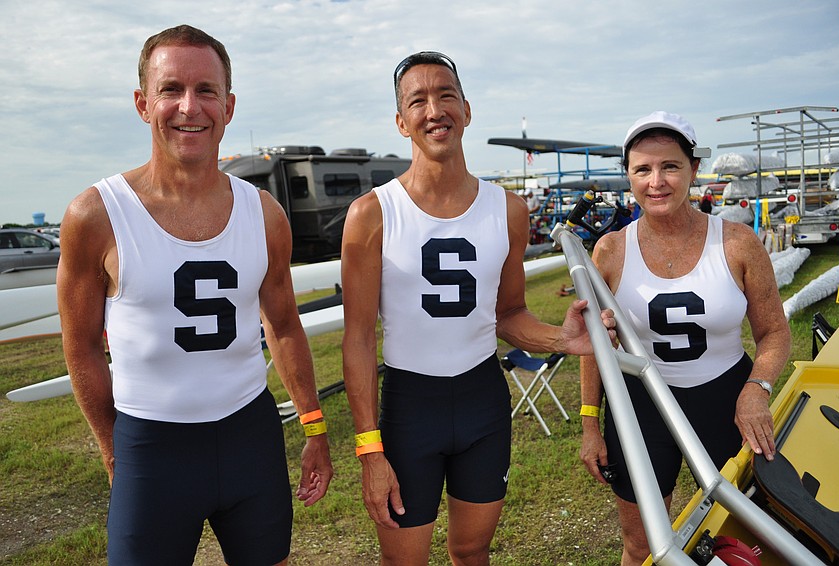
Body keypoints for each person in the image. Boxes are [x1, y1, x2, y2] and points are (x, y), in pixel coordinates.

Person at [57, 25, 332, 565]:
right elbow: (82, 345)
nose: (190, 107)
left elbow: (282, 324)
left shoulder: (265, 215)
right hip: (152, 444)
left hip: (250, 435)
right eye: (171, 90)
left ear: (228, 106)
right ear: (142, 103)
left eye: (206, 90)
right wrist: (115, 450)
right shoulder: (96, 214)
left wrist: (314, 426)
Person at [340, 51, 616, 566]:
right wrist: (369, 450)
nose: (434, 110)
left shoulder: (508, 210)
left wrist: (562, 339)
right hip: (409, 408)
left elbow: (509, 314)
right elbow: (356, 339)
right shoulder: (372, 213)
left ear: (467, 109)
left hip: (482, 401)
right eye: (417, 101)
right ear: (401, 122)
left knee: (472, 551)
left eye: (446, 95)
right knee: (404, 561)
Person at [578, 111, 790, 566]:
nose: (657, 181)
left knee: (753, 531)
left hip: (725, 398)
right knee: (642, 544)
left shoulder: (736, 243)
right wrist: (590, 423)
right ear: (628, 177)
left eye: (670, 166)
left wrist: (757, 388)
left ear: (694, 170)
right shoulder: (611, 250)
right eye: (643, 169)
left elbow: (773, 333)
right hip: (642, 404)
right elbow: (592, 344)